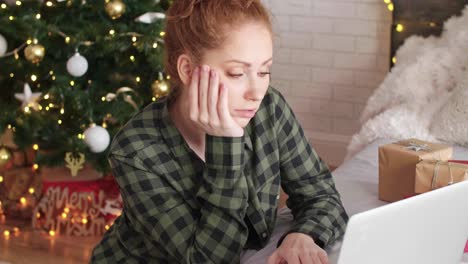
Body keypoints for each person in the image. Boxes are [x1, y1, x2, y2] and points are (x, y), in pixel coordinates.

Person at [91, 0, 348, 263]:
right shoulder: (135, 151)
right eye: (237, 73)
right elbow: (207, 259)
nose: (256, 92)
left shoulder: (269, 108)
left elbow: (321, 194)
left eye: (264, 71)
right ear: (188, 70)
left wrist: (304, 236)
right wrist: (225, 145)